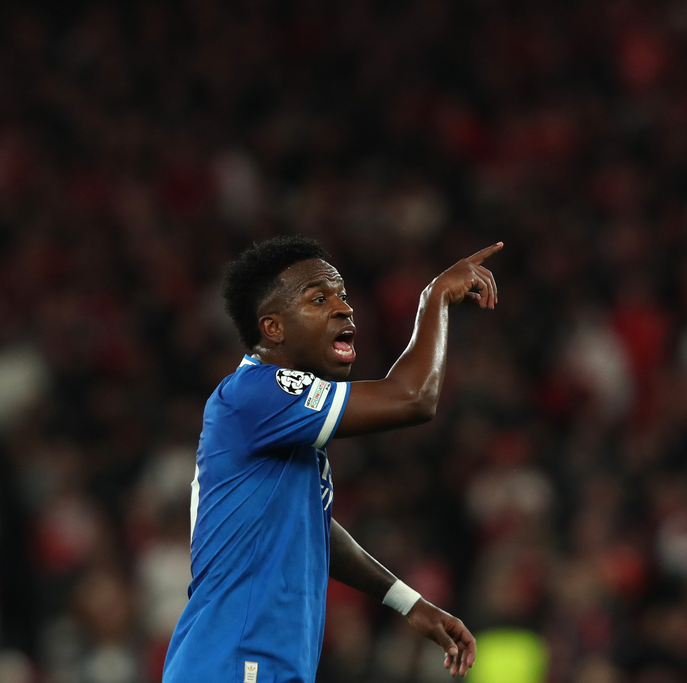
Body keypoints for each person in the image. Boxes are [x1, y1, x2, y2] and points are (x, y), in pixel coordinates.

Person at [162, 235, 502, 683]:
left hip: (254, 664)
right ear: (273, 328)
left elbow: (315, 525)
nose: (343, 308)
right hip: (236, 662)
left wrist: (408, 602)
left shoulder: (279, 421)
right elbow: (412, 398)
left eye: (342, 296)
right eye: (319, 298)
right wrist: (433, 298)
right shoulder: (256, 393)